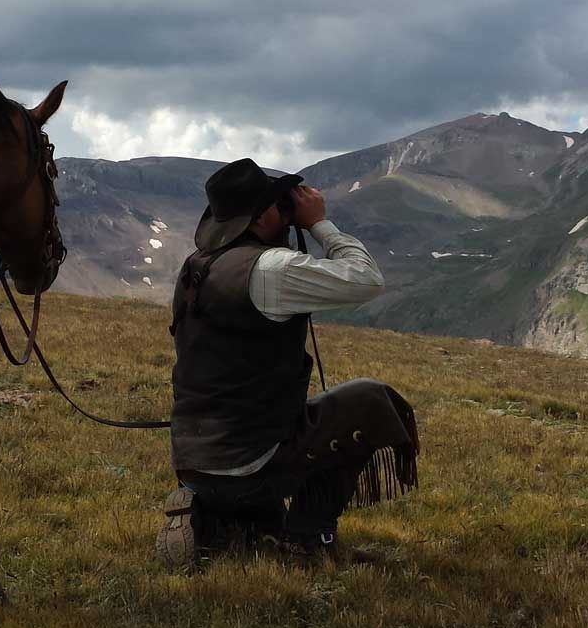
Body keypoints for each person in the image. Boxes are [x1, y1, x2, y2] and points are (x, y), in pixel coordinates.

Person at [157, 157, 418, 569]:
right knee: (369, 400)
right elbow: (367, 279)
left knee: (277, 434)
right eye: (280, 205)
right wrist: (319, 224)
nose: (287, 212)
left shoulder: (198, 267)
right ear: (262, 217)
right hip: (247, 459)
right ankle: (308, 540)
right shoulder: (270, 269)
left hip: (192, 456)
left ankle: (223, 516)